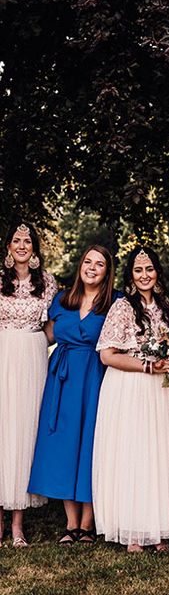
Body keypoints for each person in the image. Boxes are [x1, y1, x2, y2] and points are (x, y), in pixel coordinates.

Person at [92, 247, 169, 552]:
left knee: (156, 454)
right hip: (129, 387)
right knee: (132, 454)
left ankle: (157, 529)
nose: (144, 275)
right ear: (131, 275)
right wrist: (146, 366)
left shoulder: (166, 308)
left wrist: (168, 362)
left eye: (149, 269)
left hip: (159, 391)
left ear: (157, 272)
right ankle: (132, 530)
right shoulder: (122, 307)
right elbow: (107, 355)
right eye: (138, 270)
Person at [28, 245, 117, 544]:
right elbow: (46, 336)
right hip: (62, 379)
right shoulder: (62, 300)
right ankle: (71, 523)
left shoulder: (115, 303)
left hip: (95, 377)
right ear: (81, 266)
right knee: (65, 445)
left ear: (107, 271)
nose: (92, 268)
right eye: (88, 262)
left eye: (100, 264)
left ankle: (88, 524)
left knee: (91, 443)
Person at [0, 222, 57, 547]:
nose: (22, 245)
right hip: (2, 353)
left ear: (34, 248)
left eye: (28, 241)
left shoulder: (46, 282)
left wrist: (36, 344)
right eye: (16, 240)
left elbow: (52, 324)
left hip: (32, 358)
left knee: (24, 431)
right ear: (8, 246)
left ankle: (18, 522)